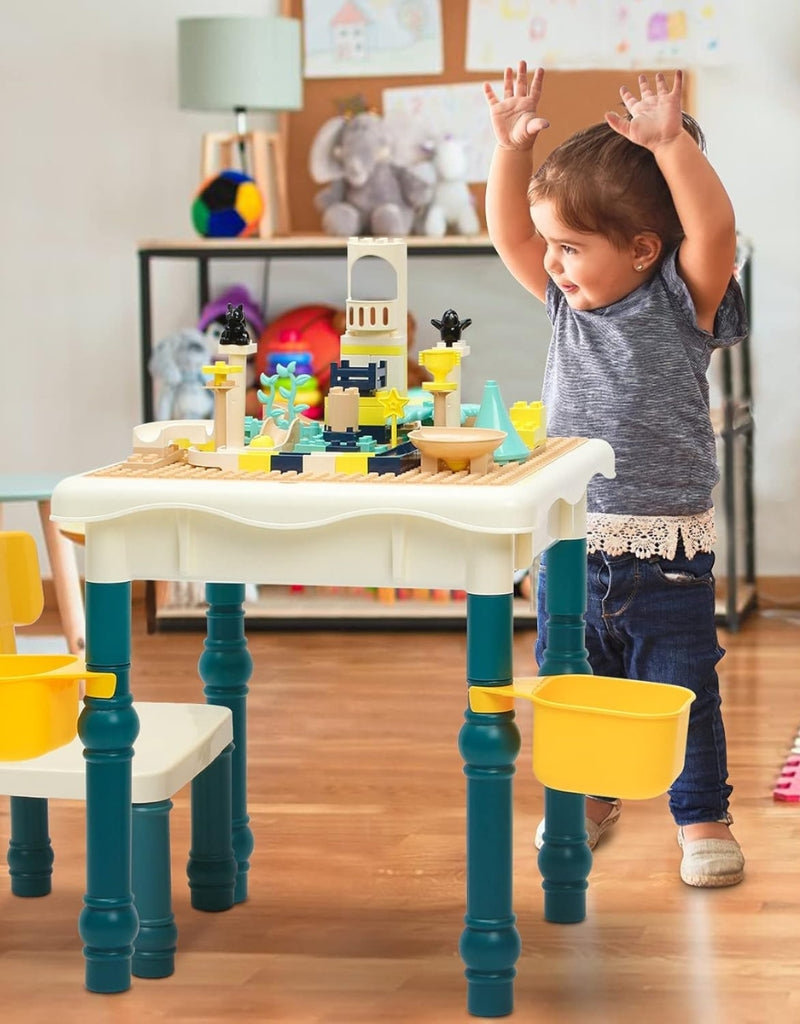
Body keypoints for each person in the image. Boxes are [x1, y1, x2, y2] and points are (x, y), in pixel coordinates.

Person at [484, 62, 747, 888]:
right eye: (553, 246)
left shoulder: (683, 299)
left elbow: (713, 234)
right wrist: (508, 151)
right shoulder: (566, 302)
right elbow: (510, 235)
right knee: (580, 678)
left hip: (664, 541)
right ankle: (590, 801)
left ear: (642, 250)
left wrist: (670, 145)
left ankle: (702, 818)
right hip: (572, 539)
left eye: (573, 248)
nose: (553, 264)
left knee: (682, 684)